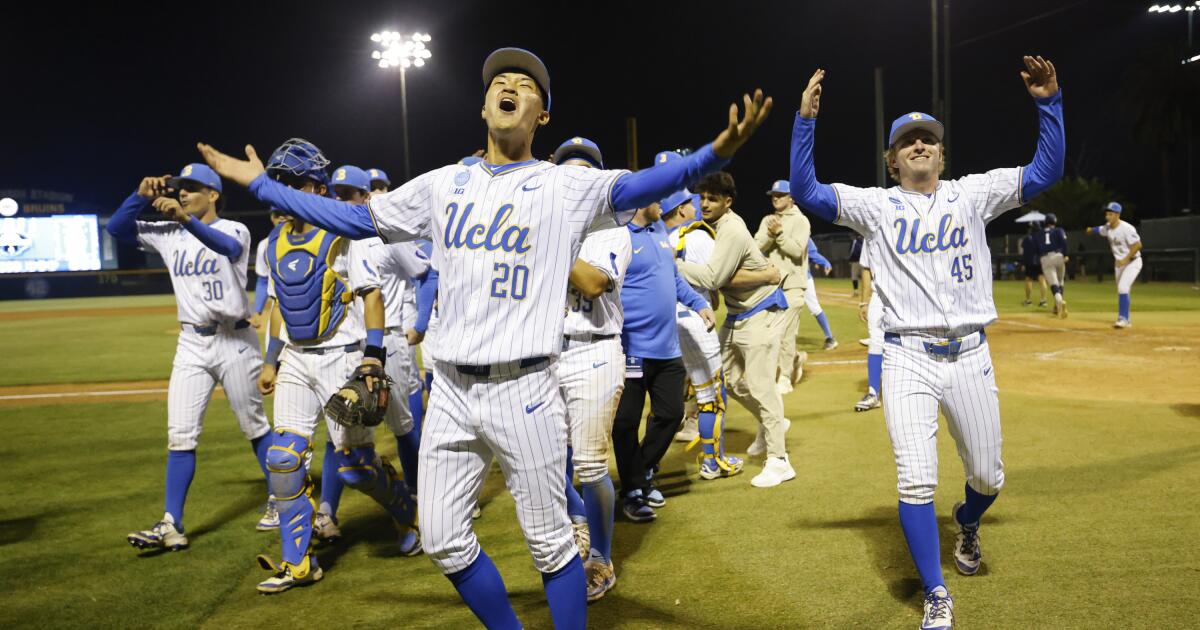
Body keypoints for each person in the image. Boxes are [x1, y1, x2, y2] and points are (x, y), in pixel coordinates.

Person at [199, 47, 770, 628]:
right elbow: (354, 219)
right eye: (500, 80)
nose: (510, 86)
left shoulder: (564, 187)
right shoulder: (443, 184)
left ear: (541, 115)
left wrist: (713, 154)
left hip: (523, 388)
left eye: (525, 84)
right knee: (445, 540)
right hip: (447, 387)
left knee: (550, 544)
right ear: (484, 104)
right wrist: (266, 188)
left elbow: (645, 183)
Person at [789, 57, 1064, 629]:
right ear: (891, 160)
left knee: (989, 476)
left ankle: (967, 520)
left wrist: (1048, 103)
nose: (919, 145)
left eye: (928, 140)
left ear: (942, 154)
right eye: (907, 141)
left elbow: (1044, 171)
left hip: (970, 353)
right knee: (916, 477)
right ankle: (937, 592)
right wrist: (805, 122)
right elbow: (807, 191)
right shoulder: (875, 206)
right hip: (908, 355)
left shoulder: (974, 194)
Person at [254, 140, 420, 592]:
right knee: (283, 458)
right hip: (296, 359)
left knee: (354, 466)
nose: (280, 192)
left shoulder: (345, 234)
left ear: (312, 185)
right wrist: (270, 360)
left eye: (289, 183)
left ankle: (411, 516)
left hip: (342, 357)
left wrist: (372, 356)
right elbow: (276, 307)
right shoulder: (272, 242)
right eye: (276, 183)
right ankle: (299, 563)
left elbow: (372, 296)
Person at [107, 164, 273, 551]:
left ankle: (282, 500)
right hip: (192, 344)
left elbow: (227, 249)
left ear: (213, 195)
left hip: (235, 339)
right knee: (180, 434)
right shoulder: (168, 233)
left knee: (255, 426)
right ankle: (171, 525)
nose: (183, 194)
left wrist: (185, 220)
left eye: (194, 189)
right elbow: (116, 230)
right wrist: (140, 196)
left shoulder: (235, 229)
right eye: (181, 189)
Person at [309, 164, 432, 547]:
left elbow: (425, 273)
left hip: (389, 342)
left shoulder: (387, 235)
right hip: (345, 345)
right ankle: (327, 510)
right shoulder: (329, 239)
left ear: (365, 198)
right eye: (338, 194)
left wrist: (421, 322)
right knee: (340, 428)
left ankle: (415, 504)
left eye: (351, 195)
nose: (343, 200)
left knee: (402, 426)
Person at [549, 136, 631, 601]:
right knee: (541, 461)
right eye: (567, 168)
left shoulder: (611, 226)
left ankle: (600, 556)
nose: (575, 174)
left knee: (590, 462)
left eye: (585, 168)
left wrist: (546, 237)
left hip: (594, 351)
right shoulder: (542, 220)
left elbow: (594, 282)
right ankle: (579, 518)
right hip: (544, 354)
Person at [680, 171, 794, 488]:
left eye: (712, 199)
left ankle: (779, 460)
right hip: (737, 313)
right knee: (724, 378)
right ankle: (771, 422)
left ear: (727, 202)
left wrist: (669, 264)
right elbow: (725, 279)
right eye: (701, 198)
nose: (705, 204)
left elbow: (713, 278)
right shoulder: (710, 228)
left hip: (762, 311)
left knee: (761, 386)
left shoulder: (730, 228)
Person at [613, 198, 714, 521]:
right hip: (631, 348)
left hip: (667, 347)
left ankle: (637, 476)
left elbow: (673, 279)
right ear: (642, 200)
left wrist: (698, 303)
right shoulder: (617, 234)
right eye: (659, 197)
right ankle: (633, 490)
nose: (666, 204)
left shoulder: (658, 230)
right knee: (626, 422)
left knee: (671, 415)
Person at [664, 189, 760, 481]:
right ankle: (712, 462)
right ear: (681, 210)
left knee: (664, 400)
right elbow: (717, 278)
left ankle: (648, 466)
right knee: (711, 396)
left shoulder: (656, 237)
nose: (697, 208)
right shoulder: (698, 236)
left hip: (664, 325)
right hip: (696, 320)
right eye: (690, 205)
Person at [755, 180, 812, 396]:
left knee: (786, 333)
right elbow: (756, 245)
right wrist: (771, 232)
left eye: (780, 194)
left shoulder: (801, 221)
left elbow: (797, 251)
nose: (775, 198)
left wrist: (779, 233)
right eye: (773, 195)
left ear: (792, 197)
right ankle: (795, 358)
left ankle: (785, 377)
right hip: (771, 286)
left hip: (793, 286)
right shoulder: (768, 220)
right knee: (769, 334)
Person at [1087, 201, 1143, 328]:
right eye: (1107, 214)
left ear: (1118, 215)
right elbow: (1100, 229)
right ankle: (1127, 319)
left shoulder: (1127, 228)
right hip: (1120, 264)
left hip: (1133, 262)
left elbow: (1138, 245)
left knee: (1123, 287)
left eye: (1111, 214)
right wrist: (1091, 230)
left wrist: (1126, 259)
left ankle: (1122, 318)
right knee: (1122, 289)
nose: (1108, 217)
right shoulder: (1108, 227)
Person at [854, 238, 883, 412]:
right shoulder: (871, 229)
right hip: (879, 296)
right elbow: (866, 267)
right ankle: (873, 393)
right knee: (876, 340)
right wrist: (864, 302)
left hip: (907, 295)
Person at [251, 208, 287, 329]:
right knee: (274, 347)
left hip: (307, 304)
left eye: (285, 213)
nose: (281, 217)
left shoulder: (311, 239)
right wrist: (258, 310)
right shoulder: (264, 245)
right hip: (277, 306)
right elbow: (263, 280)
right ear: (272, 217)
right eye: (277, 215)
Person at [1038, 213, 1069, 318]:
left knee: (1054, 284)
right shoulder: (1059, 230)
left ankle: (1060, 302)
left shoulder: (1040, 233)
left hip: (1046, 258)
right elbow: (1064, 242)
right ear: (1054, 221)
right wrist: (1065, 255)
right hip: (1059, 256)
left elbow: (1037, 247)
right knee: (1060, 282)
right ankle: (1057, 306)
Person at [1018, 224, 1048, 307]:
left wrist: (1023, 263)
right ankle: (1043, 300)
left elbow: (1024, 252)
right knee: (1042, 280)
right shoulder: (1041, 238)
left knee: (1028, 280)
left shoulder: (1027, 238)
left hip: (1029, 262)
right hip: (1039, 261)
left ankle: (1028, 301)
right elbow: (1043, 251)